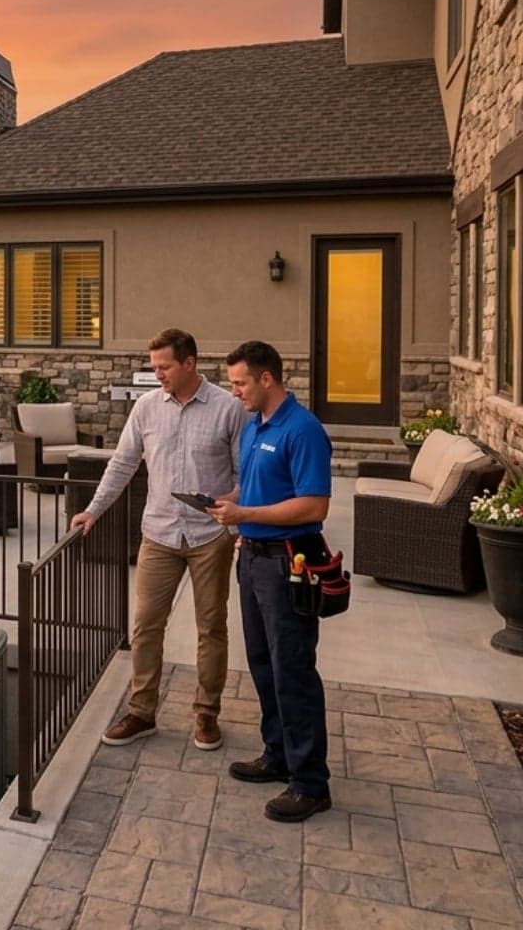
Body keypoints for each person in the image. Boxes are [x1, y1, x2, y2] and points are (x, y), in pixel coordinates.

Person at [70, 328, 244, 752]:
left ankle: (206, 713)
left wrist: (235, 506)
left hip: (210, 537)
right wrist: (93, 510)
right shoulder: (146, 407)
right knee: (146, 625)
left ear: (189, 363)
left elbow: (246, 474)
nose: (157, 374)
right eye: (154, 367)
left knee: (211, 628)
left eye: (164, 367)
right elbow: (122, 464)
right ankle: (141, 712)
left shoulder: (228, 409)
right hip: (159, 534)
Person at [208, 340, 333, 823]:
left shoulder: (303, 430)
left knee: (292, 669)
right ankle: (277, 753)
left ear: (266, 379)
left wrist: (245, 515)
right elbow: (257, 488)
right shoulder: (255, 426)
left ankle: (310, 783)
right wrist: (231, 501)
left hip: (288, 563)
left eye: (240, 383)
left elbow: (313, 505)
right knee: (262, 663)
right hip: (253, 560)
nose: (234, 391)